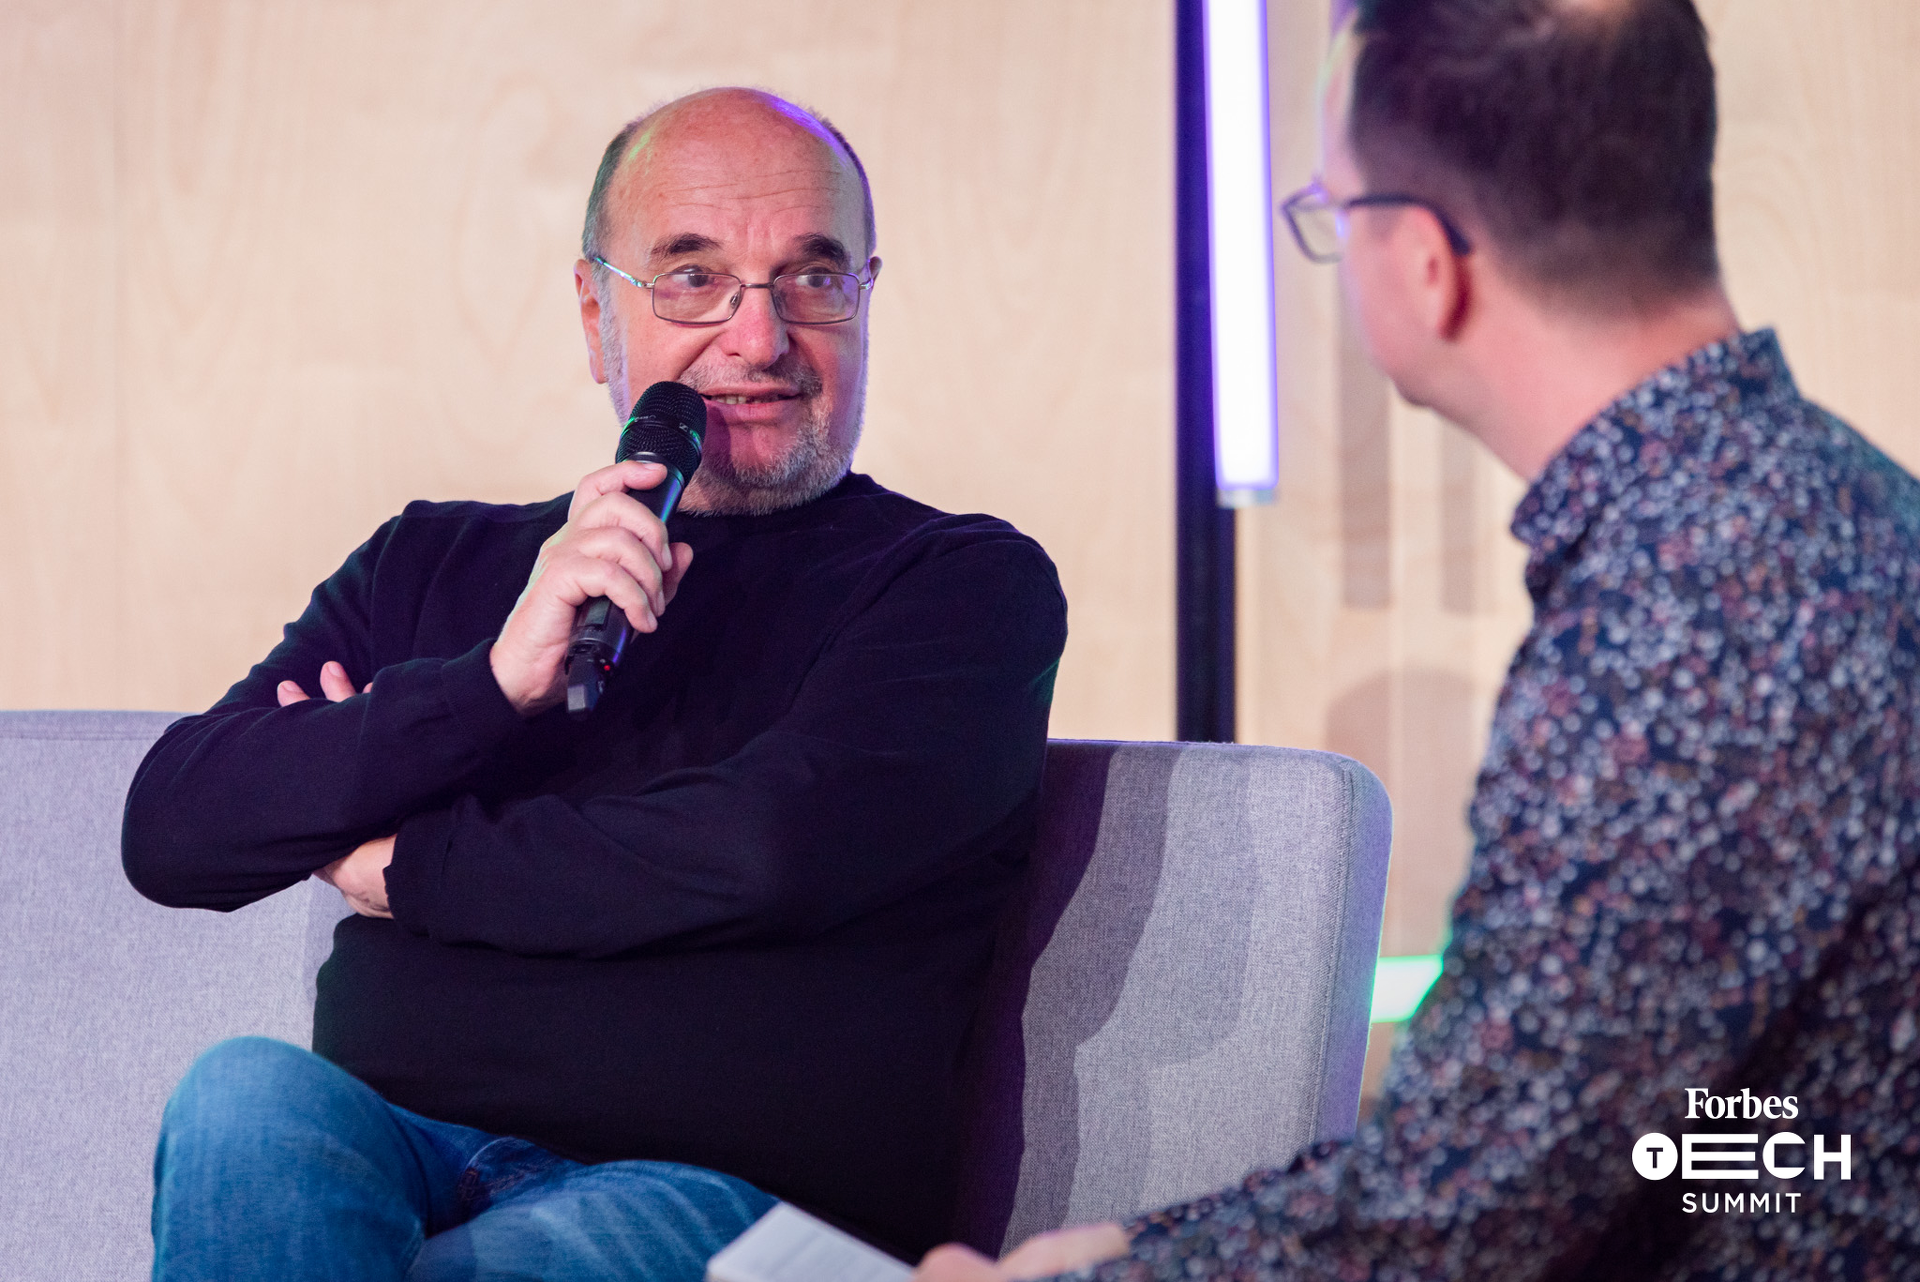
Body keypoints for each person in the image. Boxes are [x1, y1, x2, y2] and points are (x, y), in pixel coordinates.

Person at [916, 1, 1920, 1278]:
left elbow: (1474, 1211)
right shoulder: (1819, 501)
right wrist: (1134, 1242)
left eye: (1333, 213)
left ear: (1430, 264)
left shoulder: (1682, 615)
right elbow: (1614, 1141)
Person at [122, 87, 1068, 1282]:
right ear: (594, 312)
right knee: (241, 1099)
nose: (759, 338)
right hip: (399, 1149)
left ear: (865, 298)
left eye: (812, 278)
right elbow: (178, 827)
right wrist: (488, 686)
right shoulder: (434, 560)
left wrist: (407, 866)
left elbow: (761, 848)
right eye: (693, 278)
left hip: (728, 1196)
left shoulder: (960, 587)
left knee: (508, 1263)